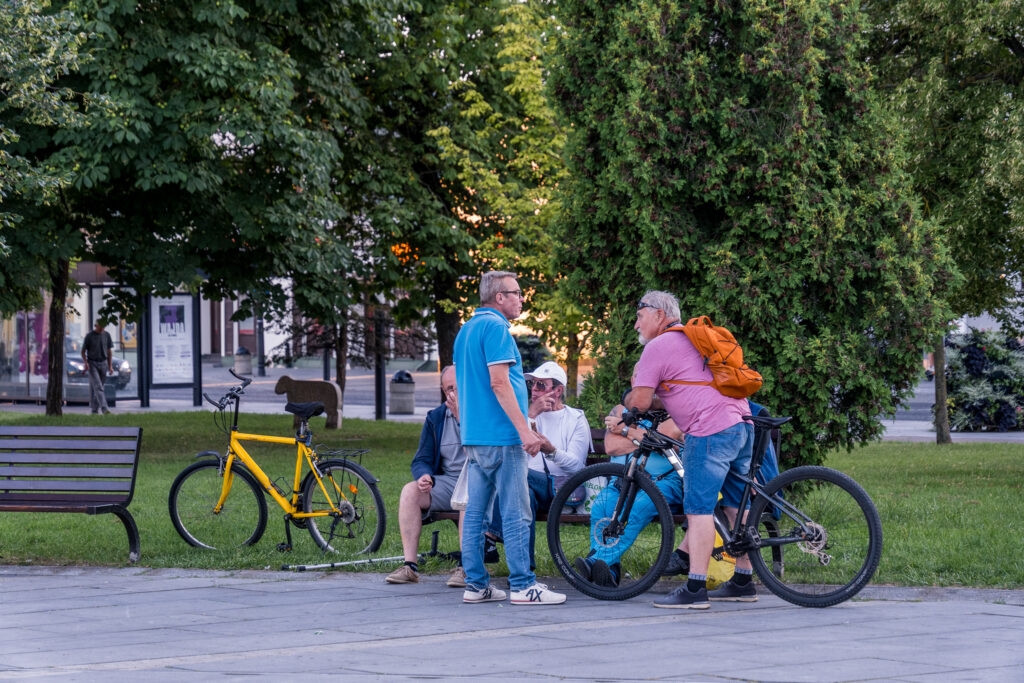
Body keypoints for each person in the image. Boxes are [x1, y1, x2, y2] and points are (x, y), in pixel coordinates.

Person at [625, 290, 755, 610]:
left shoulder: (658, 346)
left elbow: (640, 401)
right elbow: (679, 388)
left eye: (639, 315)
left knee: (698, 510)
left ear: (658, 314)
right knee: (736, 508)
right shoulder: (695, 339)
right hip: (742, 423)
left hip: (709, 431)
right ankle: (743, 581)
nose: (636, 324)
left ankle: (695, 589)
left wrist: (630, 407)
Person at [453, 270, 566, 605]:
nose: (521, 299)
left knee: (476, 512)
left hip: (475, 436)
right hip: (502, 437)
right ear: (498, 297)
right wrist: (524, 431)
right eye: (516, 293)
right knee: (517, 511)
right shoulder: (497, 328)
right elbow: (499, 383)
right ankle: (523, 585)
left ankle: (475, 584)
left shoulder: (466, 330)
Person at [487, 361, 591, 569]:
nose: (534, 390)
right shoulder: (524, 416)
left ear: (558, 390)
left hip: (564, 490)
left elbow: (578, 467)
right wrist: (530, 416)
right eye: (532, 385)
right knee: (525, 494)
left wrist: (551, 451)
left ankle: (490, 536)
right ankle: (526, 571)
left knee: (519, 477)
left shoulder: (575, 418)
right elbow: (513, 457)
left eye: (541, 385)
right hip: (528, 490)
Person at [573, 402, 685, 587]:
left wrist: (625, 431)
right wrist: (645, 441)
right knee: (602, 505)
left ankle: (594, 561)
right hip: (624, 481)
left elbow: (665, 438)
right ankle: (609, 570)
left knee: (637, 507)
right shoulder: (620, 410)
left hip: (662, 483)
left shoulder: (675, 410)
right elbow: (611, 446)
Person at [385, 366, 468, 588]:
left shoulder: (479, 411)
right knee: (410, 491)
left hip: (478, 478)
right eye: (449, 388)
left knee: (466, 497)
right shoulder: (436, 417)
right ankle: (410, 566)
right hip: (449, 481)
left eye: (458, 388)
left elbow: (481, 451)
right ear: (443, 390)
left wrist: (461, 418)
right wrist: (424, 475)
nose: (453, 394)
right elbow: (421, 458)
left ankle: (467, 567)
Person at [82, 321, 114, 415]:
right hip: (92, 364)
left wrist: (110, 366)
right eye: (100, 326)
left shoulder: (107, 335)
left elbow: (109, 352)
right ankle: (105, 409)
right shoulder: (89, 336)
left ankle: (94, 410)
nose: (102, 328)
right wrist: (86, 363)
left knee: (99, 388)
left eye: (104, 326)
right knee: (98, 386)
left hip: (103, 363)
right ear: (95, 326)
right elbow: (83, 351)